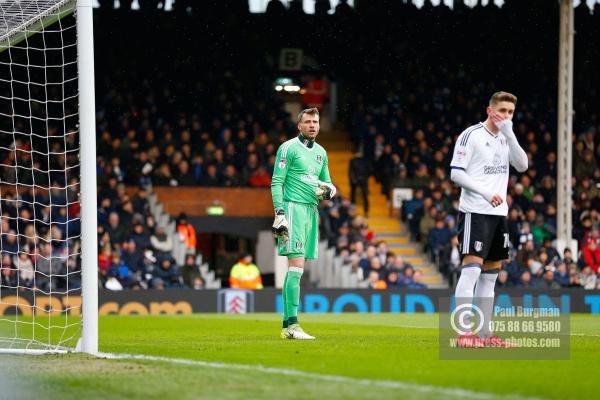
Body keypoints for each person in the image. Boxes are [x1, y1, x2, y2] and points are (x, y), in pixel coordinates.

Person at [450, 91, 528, 347]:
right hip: (475, 210)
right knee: (472, 269)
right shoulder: (470, 135)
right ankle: (464, 334)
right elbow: (456, 174)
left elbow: (523, 165)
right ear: (489, 110)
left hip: (499, 214)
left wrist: (510, 133)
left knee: (491, 276)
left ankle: (485, 334)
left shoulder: (507, 138)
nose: (506, 116)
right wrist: (486, 193)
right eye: (502, 111)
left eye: (510, 112)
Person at [271, 107, 336, 340]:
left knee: (298, 268)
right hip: (292, 208)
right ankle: (292, 326)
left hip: (311, 211)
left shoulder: (321, 152)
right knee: (296, 267)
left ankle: (287, 326)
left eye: (316, 121)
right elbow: (276, 182)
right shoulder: (288, 148)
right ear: (299, 125)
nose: (312, 125)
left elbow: (327, 183)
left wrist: (330, 191)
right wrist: (280, 214)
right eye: (308, 121)